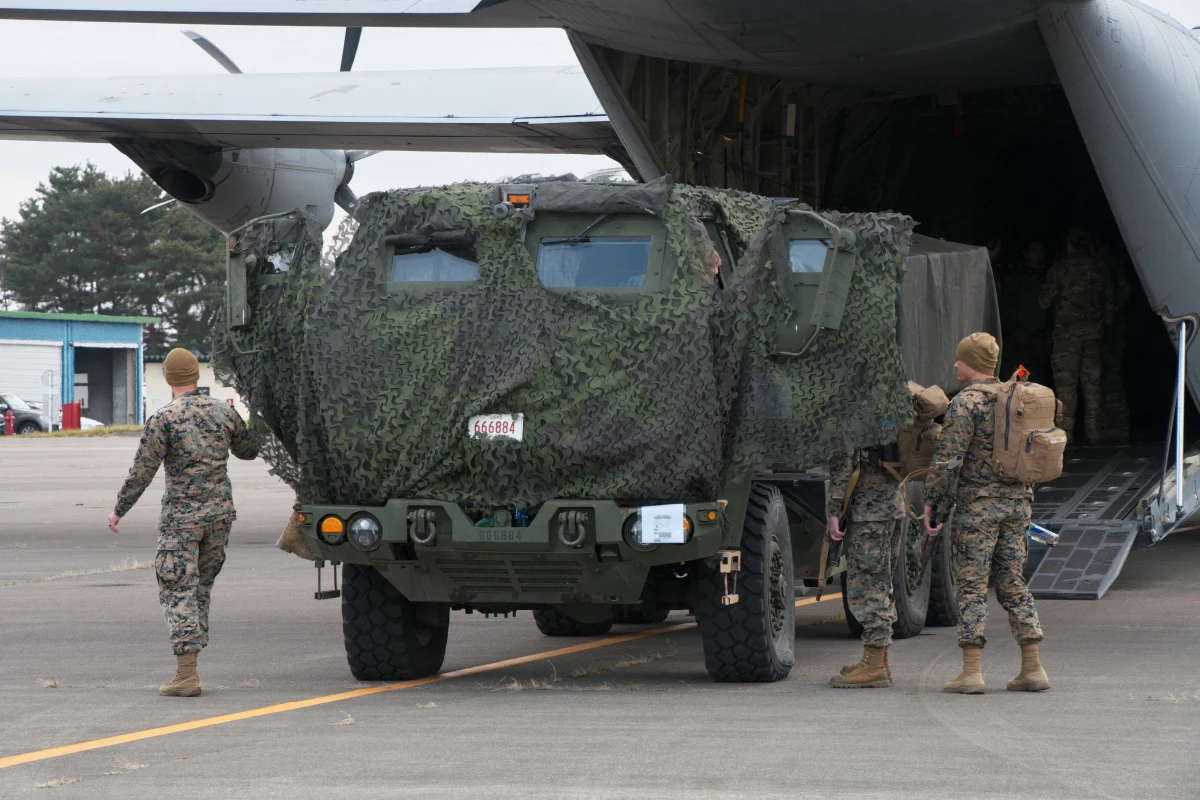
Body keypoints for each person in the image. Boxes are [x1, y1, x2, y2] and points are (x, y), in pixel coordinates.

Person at [107, 348, 258, 697]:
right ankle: (191, 664)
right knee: (200, 587)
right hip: (220, 516)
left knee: (178, 591)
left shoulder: (164, 418)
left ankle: (186, 675)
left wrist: (119, 510)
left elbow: (142, 470)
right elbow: (248, 450)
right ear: (196, 375)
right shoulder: (224, 411)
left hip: (182, 520)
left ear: (168, 378)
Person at [923, 333, 1049, 694]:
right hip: (1018, 504)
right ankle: (1033, 668)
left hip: (978, 509)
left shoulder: (964, 405)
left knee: (971, 585)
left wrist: (933, 502)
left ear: (972, 364)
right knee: (1012, 581)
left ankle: (971, 672)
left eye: (959, 360)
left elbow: (947, 461)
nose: (954, 365)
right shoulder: (1014, 397)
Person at [826, 443, 904, 688]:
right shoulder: (892, 407)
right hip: (893, 504)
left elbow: (844, 460)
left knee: (867, 588)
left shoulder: (858, 408)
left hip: (868, 511)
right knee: (881, 584)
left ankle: (872, 665)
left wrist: (834, 510)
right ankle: (881, 662)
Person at [1038, 228, 1113, 442]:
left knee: (1066, 388)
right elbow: (1110, 304)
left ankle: (1065, 435)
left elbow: (1044, 301)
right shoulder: (1101, 269)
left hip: (1066, 338)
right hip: (1093, 336)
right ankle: (1094, 434)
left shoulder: (1061, 269)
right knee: (1092, 386)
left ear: (1069, 246)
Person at [997, 238, 1050, 383]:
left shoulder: (1049, 278)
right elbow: (1006, 307)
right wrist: (1016, 330)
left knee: (1037, 382)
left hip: (1039, 341)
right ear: (1025, 254)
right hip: (1020, 342)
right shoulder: (1016, 279)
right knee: (1017, 380)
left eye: (1041, 251)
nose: (1038, 255)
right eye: (1034, 251)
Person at [1094, 243, 1131, 441]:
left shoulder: (1108, 265)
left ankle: (1118, 423)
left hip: (1110, 329)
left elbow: (1123, 292)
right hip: (1102, 328)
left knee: (1109, 375)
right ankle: (1106, 424)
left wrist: (1108, 317)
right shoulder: (1100, 265)